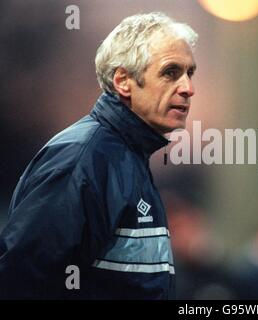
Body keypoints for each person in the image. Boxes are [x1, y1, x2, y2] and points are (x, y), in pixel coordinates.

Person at [0, 12, 198, 299]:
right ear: (123, 81)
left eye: (189, 73)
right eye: (170, 72)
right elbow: (19, 283)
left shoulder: (127, 155)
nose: (188, 88)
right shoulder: (82, 159)